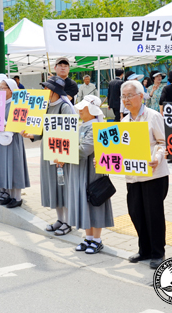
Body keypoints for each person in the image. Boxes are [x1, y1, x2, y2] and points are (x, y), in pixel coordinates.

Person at [121, 80, 170, 269]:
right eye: (123, 96)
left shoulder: (153, 116)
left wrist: (157, 157)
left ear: (141, 96)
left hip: (153, 174)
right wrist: (104, 158)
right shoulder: (124, 121)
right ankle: (144, 250)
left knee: (154, 214)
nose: (126, 99)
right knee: (136, 212)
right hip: (133, 175)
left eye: (129, 95)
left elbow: (163, 142)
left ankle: (158, 253)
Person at [21, 76, 77, 236]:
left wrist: (65, 157)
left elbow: (70, 134)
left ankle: (68, 222)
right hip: (48, 152)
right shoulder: (45, 107)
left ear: (55, 91)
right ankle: (60, 219)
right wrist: (30, 135)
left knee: (63, 187)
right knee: (54, 186)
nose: (44, 91)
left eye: (47, 88)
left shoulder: (65, 107)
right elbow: (41, 131)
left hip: (61, 156)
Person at [69, 95, 114, 254]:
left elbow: (85, 149)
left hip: (93, 172)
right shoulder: (83, 125)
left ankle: (97, 239)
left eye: (84, 107)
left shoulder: (97, 127)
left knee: (95, 200)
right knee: (84, 201)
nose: (80, 110)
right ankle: (88, 238)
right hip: (81, 168)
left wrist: (64, 152)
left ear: (93, 110)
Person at [0, 76, 30, 208]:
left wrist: (2, 126)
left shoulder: (17, 103)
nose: (0, 89)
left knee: (14, 167)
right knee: (4, 166)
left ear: (11, 90)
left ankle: (17, 197)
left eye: (3, 87)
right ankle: (9, 194)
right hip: (0, 139)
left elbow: (20, 124)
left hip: (13, 140)